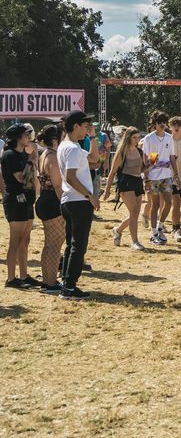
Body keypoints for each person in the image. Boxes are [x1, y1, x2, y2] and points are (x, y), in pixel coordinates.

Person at [58, 110, 101, 300]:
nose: (86, 129)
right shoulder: (73, 149)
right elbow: (71, 177)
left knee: (71, 244)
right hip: (78, 201)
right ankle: (70, 286)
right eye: (84, 127)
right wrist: (90, 195)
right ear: (75, 126)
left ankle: (66, 283)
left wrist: (92, 138)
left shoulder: (67, 146)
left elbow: (94, 160)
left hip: (69, 201)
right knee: (78, 246)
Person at [2, 123, 39, 289]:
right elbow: (22, 178)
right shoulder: (10, 155)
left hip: (27, 200)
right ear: (18, 138)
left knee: (25, 240)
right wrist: (31, 162)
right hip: (15, 201)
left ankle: (24, 275)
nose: (28, 137)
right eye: (26, 135)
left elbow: (31, 179)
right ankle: (11, 278)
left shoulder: (23, 154)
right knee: (15, 240)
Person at [102, 126, 147, 250]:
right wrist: (107, 190)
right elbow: (112, 172)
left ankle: (117, 230)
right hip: (126, 182)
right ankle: (135, 241)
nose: (137, 140)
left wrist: (151, 165)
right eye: (134, 137)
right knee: (133, 212)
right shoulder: (122, 152)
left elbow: (141, 169)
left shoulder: (140, 151)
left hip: (138, 181)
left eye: (138, 137)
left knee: (135, 214)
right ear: (128, 138)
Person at [34, 125, 67, 292]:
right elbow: (57, 186)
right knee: (55, 245)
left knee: (49, 244)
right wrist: (66, 206)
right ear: (56, 140)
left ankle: (48, 280)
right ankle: (51, 282)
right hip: (52, 202)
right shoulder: (52, 157)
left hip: (45, 201)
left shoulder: (44, 154)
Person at [141, 111, 176, 245]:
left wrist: (176, 173)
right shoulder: (149, 138)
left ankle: (160, 227)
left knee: (168, 203)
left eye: (164, 123)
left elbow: (172, 156)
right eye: (159, 123)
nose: (162, 125)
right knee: (155, 204)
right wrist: (146, 176)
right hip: (153, 175)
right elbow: (146, 157)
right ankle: (154, 232)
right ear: (154, 124)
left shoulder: (169, 137)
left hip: (166, 174)